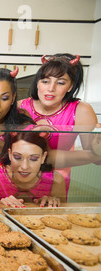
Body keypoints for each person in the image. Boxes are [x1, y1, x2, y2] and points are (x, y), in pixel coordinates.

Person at [18, 53, 99, 192]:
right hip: (18, 177)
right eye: (45, 81)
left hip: (56, 182)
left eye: (60, 82)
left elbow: (96, 158)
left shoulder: (81, 111)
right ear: (37, 82)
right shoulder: (20, 107)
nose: (51, 88)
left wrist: (97, 151)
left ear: (70, 86)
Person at [0, 131, 66, 208]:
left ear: (43, 158)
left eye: (33, 159)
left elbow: (62, 216)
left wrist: (51, 203)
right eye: (18, 157)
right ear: (10, 154)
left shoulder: (55, 180)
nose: (25, 166)